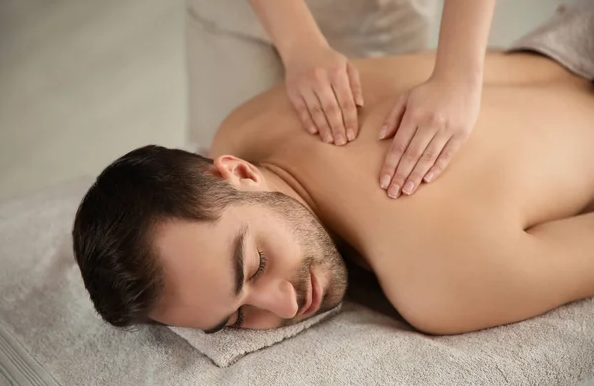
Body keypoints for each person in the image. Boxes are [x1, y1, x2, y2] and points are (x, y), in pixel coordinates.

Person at [72, 43, 594, 335]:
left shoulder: (440, 285)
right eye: (236, 319)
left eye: (254, 265)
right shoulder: (245, 128)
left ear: (239, 174)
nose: (282, 305)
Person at [183, 0, 498, 198]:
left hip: (368, 4)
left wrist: (458, 74)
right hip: (233, 1)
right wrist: (299, 41)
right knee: (222, 182)